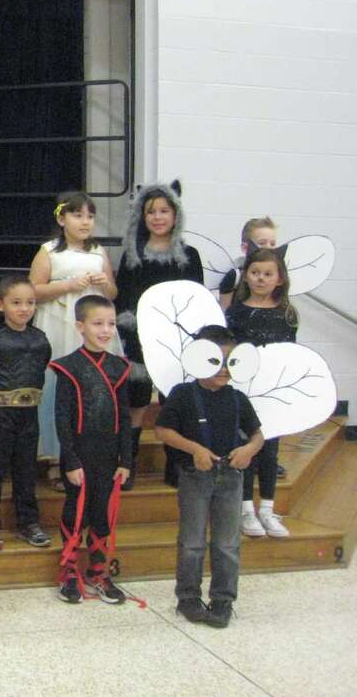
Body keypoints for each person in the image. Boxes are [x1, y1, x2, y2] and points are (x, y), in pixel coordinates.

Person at [154, 325, 264, 629]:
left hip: (231, 478)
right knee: (192, 541)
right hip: (194, 477)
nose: (225, 369)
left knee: (227, 542)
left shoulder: (238, 398)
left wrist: (249, 450)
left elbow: (258, 435)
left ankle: (223, 599)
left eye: (232, 362)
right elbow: (162, 430)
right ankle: (188, 597)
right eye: (217, 361)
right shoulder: (183, 394)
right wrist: (194, 449)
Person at [114, 180, 203, 488]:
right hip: (138, 337)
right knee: (136, 401)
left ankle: (176, 465)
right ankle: (128, 464)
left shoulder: (190, 255)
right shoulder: (132, 255)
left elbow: (196, 300)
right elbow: (122, 297)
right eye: (151, 211)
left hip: (176, 341)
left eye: (164, 211)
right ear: (142, 215)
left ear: (175, 215)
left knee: (174, 401)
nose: (158, 217)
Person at [29, 192, 117, 491]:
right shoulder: (49, 251)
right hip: (58, 325)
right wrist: (67, 285)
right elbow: (34, 290)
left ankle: (85, 455)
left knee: (90, 388)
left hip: (90, 327)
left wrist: (105, 285)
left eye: (90, 216)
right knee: (59, 389)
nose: (85, 221)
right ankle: (56, 458)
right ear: (61, 218)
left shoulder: (99, 252)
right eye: (78, 215)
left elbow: (113, 293)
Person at [51, 295, 131, 605]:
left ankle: (98, 569)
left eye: (111, 324)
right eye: (98, 323)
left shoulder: (119, 367)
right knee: (77, 511)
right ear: (80, 326)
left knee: (103, 513)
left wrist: (126, 459)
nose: (106, 330)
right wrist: (70, 460)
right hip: (79, 455)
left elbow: (124, 417)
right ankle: (69, 570)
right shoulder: (68, 367)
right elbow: (62, 418)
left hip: (110, 456)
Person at [227, 248, 297, 539]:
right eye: (255, 272)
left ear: (279, 279)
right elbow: (231, 352)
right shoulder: (237, 311)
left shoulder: (287, 314)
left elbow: (292, 354)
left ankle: (267, 508)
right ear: (247, 275)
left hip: (274, 392)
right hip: (245, 392)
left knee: (270, 451)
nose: (260, 278)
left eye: (268, 274)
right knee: (248, 449)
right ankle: (245, 509)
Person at [0, 275, 51, 551]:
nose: (24, 309)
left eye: (30, 303)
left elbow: (41, 368)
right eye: (16, 303)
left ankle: (29, 523)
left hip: (28, 414)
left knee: (26, 469)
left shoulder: (40, 340)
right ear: (0, 305)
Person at [218, 217, 278, 310]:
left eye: (272, 244)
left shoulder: (278, 276)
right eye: (262, 243)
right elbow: (224, 314)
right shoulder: (234, 277)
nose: (268, 248)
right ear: (245, 248)